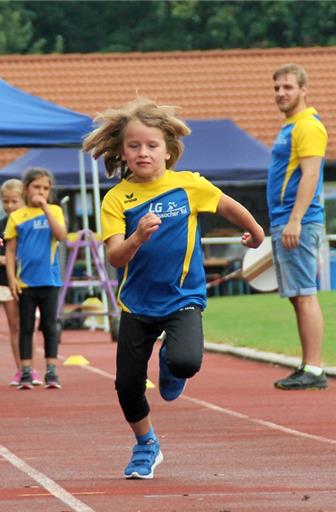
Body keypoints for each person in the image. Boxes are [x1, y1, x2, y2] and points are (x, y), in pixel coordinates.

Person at [82, 97, 264, 479]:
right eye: (134, 146)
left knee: (185, 362)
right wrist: (137, 238)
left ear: (168, 150)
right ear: (122, 151)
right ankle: (146, 444)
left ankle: (169, 360)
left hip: (182, 298)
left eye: (151, 145)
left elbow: (227, 206)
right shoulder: (116, 199)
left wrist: (255, 229)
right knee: (127, 385)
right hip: (137, 304)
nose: (143, 153)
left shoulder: (188, 185)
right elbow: (116, 257)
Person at [267, 64, 329, 391]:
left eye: (288, 87)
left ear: (304, 90)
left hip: (298, 222)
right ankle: (308, 364)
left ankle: (315, 369)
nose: (281, 93)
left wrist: (294, 220)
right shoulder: (290, 126)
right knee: (297, 296)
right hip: (285, 221)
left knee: (305, 294)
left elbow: (311, 175)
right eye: (277, 88)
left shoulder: (307, 126)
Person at [5, 168, 68, 390]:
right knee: (26, 326)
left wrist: (45, 208)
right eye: (36, 187)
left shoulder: (54, 211)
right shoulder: (17, 216)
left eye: (45, 188)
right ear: (26, 188)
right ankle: (25, 370)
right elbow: (10, 251)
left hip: (49, 280)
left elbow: (61, 235)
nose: (41, 191)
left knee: (50, 325)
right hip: (26, 282)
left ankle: (51, 370)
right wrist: (11, 278)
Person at [0, 179, 41, 386]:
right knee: (15, 326)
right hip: (5, 281)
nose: (9, 206)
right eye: (5, 202)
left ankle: (31, 368)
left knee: (29, 326)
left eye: (14, 202)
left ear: (23, 199)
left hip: (29, 281)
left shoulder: (32, 220)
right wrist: (1, 259)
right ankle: (20, 369)